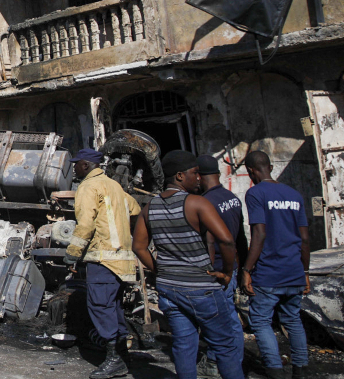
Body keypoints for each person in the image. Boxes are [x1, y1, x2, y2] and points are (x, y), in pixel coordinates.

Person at [132, 150, 242, 379]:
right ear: (180, 176)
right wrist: (227, 272)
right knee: (225, 345)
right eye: (195, 173)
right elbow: (227, 240)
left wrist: (158, 270)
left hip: (169, 289)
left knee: (184, 345)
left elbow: (139, 247)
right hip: (201, 287)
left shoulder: (149, 208)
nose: (199, 178)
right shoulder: (197, 203)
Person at [63, 148, 141, 379]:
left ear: (86, 165)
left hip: (102, 258)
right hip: (121, 259)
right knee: (113, 307)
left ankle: (115, 359)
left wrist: (72, 253)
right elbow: (135, 208)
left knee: (100, 306)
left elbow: (85, 225)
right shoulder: (113, 185)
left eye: (76, 163)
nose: (74, 167)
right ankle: (121, 355)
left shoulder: (88, 187)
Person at [242, 151, 310, 379]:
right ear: (270, 166)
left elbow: (259, 234)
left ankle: (275, 371)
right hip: (294, 271)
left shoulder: (255, 193)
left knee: (261, 321)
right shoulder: (294, 194)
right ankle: (300, 370)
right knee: (293, 320)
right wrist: (305, 272)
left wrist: (246, 269)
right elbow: (305, 239)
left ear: (250, 171)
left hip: (269, 273)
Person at [194, 155, 249, 378]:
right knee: (230, 317)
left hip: (217, 270)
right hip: (232, 267)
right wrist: (243, 268)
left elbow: (212, 241)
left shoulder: (206, 203)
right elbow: (241, 238)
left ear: (198, 175)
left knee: (218, 320)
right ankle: (236, 360)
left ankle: (219, 361)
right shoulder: (232, 198)